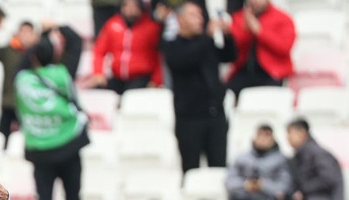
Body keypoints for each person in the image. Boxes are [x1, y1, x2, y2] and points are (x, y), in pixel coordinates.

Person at [15, 37, 90, 200]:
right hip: (69, 143)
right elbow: (75, 44)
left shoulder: (22, 80)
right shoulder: (62, 74)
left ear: (33, 57)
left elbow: (22, 65)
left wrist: (32, 49)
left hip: (39, 149)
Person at [163, 2, 236, 173]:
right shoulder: (173, 46)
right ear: (180, 20)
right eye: (193, 15)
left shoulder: (206, 43)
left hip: (215, 115)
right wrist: (208, 37)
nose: (200, 20)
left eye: (200, 15)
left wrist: (227, 35)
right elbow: (185, 60)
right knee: (190, 169)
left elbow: (229, 56)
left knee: (219, 168)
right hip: (189, 119)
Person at [86, 0, 163, 94]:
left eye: (134, 6)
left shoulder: (151, 28)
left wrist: (156, 80)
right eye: (127, 5)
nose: (130, 9)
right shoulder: (113, 24)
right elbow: (99, 51)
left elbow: (159, 57)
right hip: (118, 77)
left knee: (134, 95)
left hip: (140, 77)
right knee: (96, 89)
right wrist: (98, 73)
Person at [227, 0, 295, 98]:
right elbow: (233, 50)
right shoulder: (239, 18)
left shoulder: (283, 18)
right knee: (225, 94)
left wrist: (260, 31)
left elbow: (284, 47)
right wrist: (245, 30)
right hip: (244, 71)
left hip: (271, 73)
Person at [0, 21, 39, 143]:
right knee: (2, 136)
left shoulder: (39, 53)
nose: (25, 35)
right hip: (9, 101)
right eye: (22, 32)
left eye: (28, 32)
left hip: (29, 102)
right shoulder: (9, 50)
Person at [226, 124, 292, 200]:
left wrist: (263, 185)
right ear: (254, 137)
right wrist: (245, 185)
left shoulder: (282, 160)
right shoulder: (241, 158)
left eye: (267, 135)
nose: (263, 139)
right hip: (242, 199)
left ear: (273, 139)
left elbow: (285, 187)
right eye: (260, 135)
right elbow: (229, 182)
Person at [287, 119, 344, 200]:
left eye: (290, 133)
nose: (287, 137)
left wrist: (302, 191)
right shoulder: (300, 155)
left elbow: (328, 179)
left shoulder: (318, 154)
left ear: (302, 133)